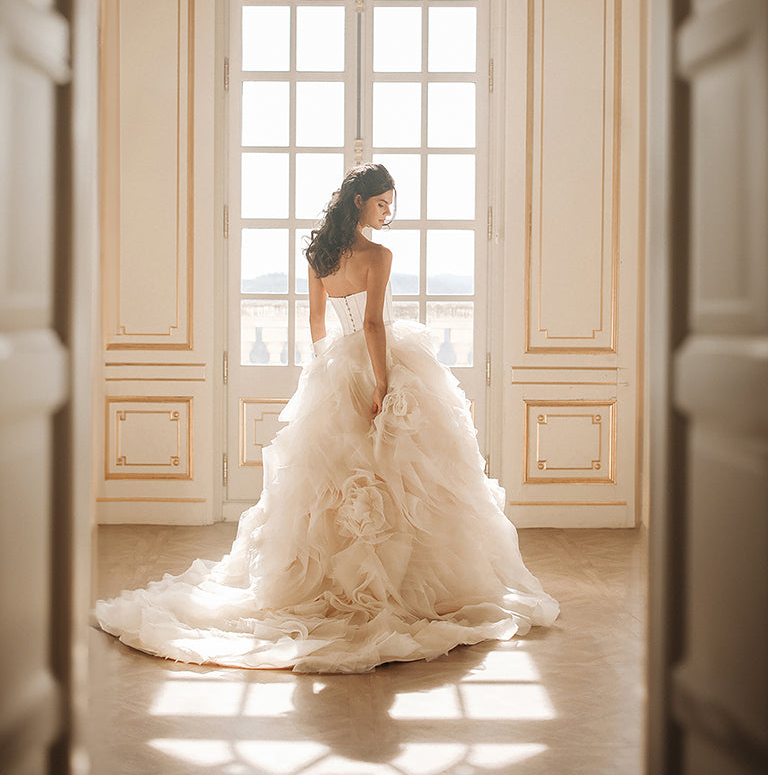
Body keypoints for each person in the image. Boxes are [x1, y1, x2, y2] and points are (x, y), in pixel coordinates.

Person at [95, 163, 559, 673]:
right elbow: (375, 323)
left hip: (334, 366)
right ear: (359, 201)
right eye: (383, 203)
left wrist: (326, 374)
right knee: (400, 477)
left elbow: (317, 321)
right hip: (377, 362)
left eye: (391, 204)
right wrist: (382, 384)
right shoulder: (378, 256)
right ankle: (395, 586)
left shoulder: (319, 254)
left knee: (335, 483)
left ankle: (337, 580)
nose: (389, 213)